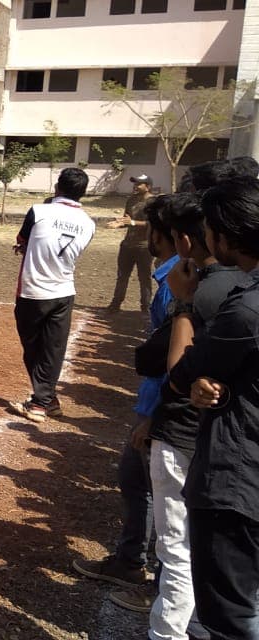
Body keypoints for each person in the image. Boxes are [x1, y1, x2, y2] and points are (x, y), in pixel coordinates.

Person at [76, 195, 180, 615]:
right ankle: (132, 561)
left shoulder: (179, 282)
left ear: (164, 235)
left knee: (162, 492)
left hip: (164, 404)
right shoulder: (171, 276)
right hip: (156, 399)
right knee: (137, 478)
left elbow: (182, 355)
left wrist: (155, 415)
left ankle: (158, 580)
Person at [165, 176, 259, 639]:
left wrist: (184, 306)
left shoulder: (245, 309)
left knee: (230, 618)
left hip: (238, 475)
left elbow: (181, 372)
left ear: (225, 234)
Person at [9, 167, 96, 422]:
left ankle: (39, 403)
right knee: (54, 348)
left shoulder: (39, 211)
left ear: (57, 188)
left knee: (33, 348)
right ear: (84, 193)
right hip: (64, 290)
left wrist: (27, 247)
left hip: (32, 290)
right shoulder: (90, 223)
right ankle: (48, 399)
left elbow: (23, 239)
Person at [105, 174, 156, 313]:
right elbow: (127, 220)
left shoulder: (153, 202)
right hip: (128, 245)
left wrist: (132, 222)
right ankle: (116, 304)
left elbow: (153, 223)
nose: (135, 186)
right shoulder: (131, 200)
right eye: (135, 183)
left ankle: (145, 307)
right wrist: (118, 223)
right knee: (122, 275)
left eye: (139, 184)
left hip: (144, 246)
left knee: (144, 277)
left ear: (148, 186)